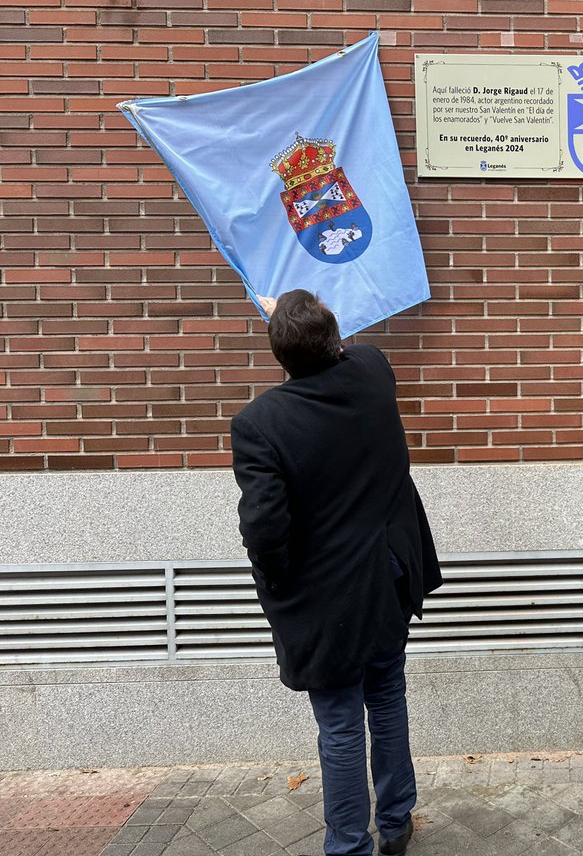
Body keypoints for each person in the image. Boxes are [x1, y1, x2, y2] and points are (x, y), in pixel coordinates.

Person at [231, 289, 441, 856]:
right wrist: (301, 318)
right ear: (336, 339)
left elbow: (265, 529)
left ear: (280, 357)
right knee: (388, 695)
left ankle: (350, 846)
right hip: (389, 576)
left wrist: (277, 588)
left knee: (342, 725)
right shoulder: (373, 372)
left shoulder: (260, 424)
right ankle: (395, 824)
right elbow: (345, 351)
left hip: (328, 600)